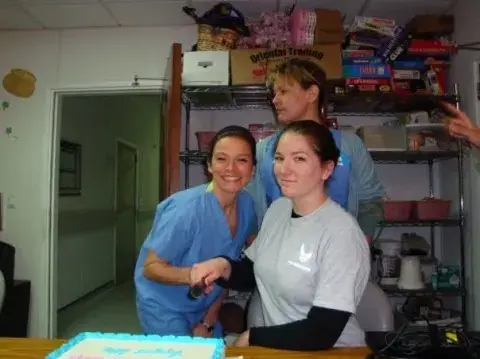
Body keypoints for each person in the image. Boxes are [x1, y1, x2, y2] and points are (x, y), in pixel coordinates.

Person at [190, 121, 371, 351]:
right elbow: (252, 272)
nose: (284, 169)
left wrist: (252, 337)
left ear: (327, 169)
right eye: (279, 158)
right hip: (284, 349)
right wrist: (221, 266)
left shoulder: (341, 234)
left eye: (299, 159)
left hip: (335, 352)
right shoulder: (279, 210)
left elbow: (322, 332)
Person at [134, 125, 257, 338]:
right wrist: (193, 275)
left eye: (242, 160)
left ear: (253, 169)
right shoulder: (185, 210)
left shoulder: (247, 205)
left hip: (205, 307)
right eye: (221, 159)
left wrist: (209, 322)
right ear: (209, 165)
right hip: (164, 307)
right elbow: (151, 267)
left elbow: (229, 269)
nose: (231, 168)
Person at [249, 58, 385, 241]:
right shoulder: (264, 149)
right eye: (274, 93)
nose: (275, 100)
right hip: (279, 256)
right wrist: (257, 248)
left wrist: (359, 243)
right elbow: (248, 203)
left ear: (312, 93)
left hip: (337, 255)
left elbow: (371, 202)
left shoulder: (349, 146)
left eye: (283, 91)